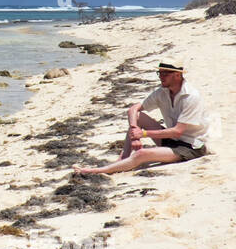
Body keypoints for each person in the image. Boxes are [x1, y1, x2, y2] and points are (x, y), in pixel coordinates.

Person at [75, 61, 209, 175]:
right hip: (171, 140)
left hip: (191, 146)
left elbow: (178, 131)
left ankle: (99, 171)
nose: (161, 77)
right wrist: (135, 132)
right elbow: (134, 109)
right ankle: (123, 158)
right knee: (137, 117)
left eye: (165, 73)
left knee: (141, 154)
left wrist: (143, 134)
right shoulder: (162, 92)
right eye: (160, 73)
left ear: (178, 75)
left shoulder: (191, 97)